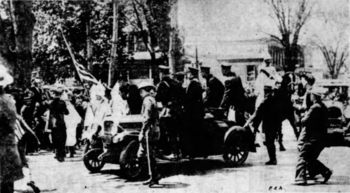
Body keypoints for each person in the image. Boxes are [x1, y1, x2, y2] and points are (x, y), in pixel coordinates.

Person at [295, 87, 332, 185]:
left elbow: (304, 121)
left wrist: (302, 117)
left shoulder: (314, 107)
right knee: (310, 158)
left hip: (312, 138)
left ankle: (300, 178)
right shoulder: (323, 106)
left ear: (314, 96)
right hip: (321, 139)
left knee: (302, 155)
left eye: (311, 95)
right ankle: (325, 172)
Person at [243, 78, 285, 165]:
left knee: (269, 142)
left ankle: (273, 159)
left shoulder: (265, 101)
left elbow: (256, 114)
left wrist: (247, 123)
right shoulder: (275, 100)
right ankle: (273, 159)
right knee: (271, 142)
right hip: (275, 124)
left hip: (268, 125)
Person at [0, 64, 24, 192]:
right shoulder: (9, 100)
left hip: (3, 144)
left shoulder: (4, 101)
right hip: (8, 144)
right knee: (7, 182)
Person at [155, 65, 183, 159]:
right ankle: (178, 152)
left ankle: (169, 152)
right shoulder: (176, 83)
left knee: (166, 132)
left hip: (168, 112)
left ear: (162, 73)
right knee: (175, 133)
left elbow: (158, 97)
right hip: (177, 111)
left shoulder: (163, 84)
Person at [137, 82, 161, 187]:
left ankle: (153, 176)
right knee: (149, 154)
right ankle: (154, 176)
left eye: (140, 92)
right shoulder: (152, 99)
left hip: (149, 130)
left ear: (143, 91)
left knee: (144, 154)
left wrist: (142, 132)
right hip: (154, 128)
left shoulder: (147, 100)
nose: (140, 94)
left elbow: (146, 118)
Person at [184, 67, 205, 156]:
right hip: (197, 112)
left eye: (189, 73)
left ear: (192, 74)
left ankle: (192, 152)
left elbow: (189, 98)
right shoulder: (197, 83)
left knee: (192, 132)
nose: (188, 75)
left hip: (192, 113)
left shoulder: (193, 84)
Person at [49, 87, 69, 162]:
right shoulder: (62, 103)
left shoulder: (51, 103)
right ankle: (61, 154)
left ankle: (57, 153)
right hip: (61, 122)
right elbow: (67, 112)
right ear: (60, 95)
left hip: (54, 122)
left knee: (56, 138)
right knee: (63, 138)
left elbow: (50, 113)